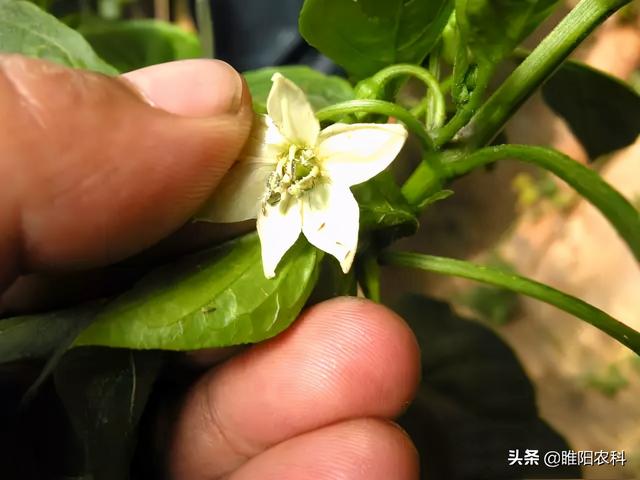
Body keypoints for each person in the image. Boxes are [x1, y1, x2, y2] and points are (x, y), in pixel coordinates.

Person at [0, 55, 421, 479]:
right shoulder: (282, 149)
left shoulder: (321, 160)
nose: (295, 172)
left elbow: (327, 231)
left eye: (298, 167)